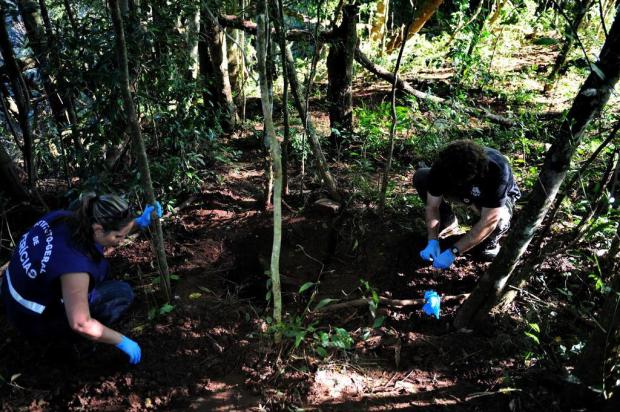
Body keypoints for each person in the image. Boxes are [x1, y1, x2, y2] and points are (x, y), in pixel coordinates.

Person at [0, 194, 162, 364]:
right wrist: (121, 341)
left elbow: (112, 230)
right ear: (98, 229)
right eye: (118, 237)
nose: (121, 242)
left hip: (14, 292)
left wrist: (139, 222)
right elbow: (81, 323)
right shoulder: (76, 267)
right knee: (121, 293)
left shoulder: (64, 218)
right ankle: (66, 345)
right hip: (31, 320)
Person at [413, 140, 520, 269]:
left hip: (487, 198)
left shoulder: (496, 170)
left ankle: (489, 244)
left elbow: (489, 220)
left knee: (499, 221)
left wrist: (453, 252)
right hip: (461, 193)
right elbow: (432, 206)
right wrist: (432, 240)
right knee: (422, 177)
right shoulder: (443, 165)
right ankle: (447, 221)